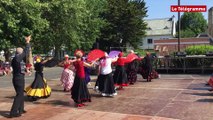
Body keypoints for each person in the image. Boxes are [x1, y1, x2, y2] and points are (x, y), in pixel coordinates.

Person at [9, 35, 31, 118]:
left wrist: (26, 70)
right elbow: (26, 52)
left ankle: (21, 109)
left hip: (18, 77)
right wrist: (27, 42)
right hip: (18, 79)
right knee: (19, 94)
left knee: (21, 93)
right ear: (20, 53)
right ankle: (13, 112)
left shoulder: (17, 59)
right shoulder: (17, 58)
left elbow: (21, 67)